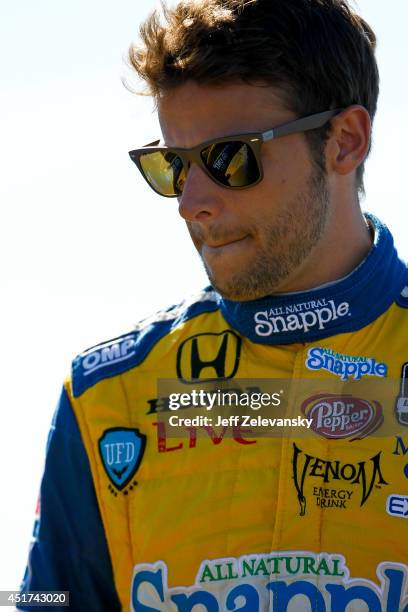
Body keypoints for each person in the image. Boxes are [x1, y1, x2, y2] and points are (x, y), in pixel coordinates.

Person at [19, 0, 408, 610]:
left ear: (345, 142)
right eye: (173, 166)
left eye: (232, 157)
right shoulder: (106, 394)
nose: (190, 202)